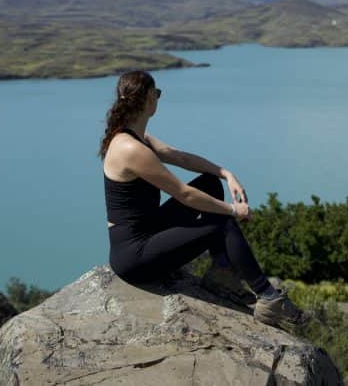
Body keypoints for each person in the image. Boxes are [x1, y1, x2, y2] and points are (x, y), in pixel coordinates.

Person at [99, 70, 306, 330]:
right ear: (149, 99)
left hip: (147, 230)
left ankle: (222, 272)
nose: (159, 99)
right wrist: (233, 210)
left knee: (209, 183)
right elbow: (184, 194)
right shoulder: (131, 149)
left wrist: (224, 173)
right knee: (221, 223)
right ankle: (268, 298)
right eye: (158, 94)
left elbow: (180, 158)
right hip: (134, 255)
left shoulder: (136, 137)